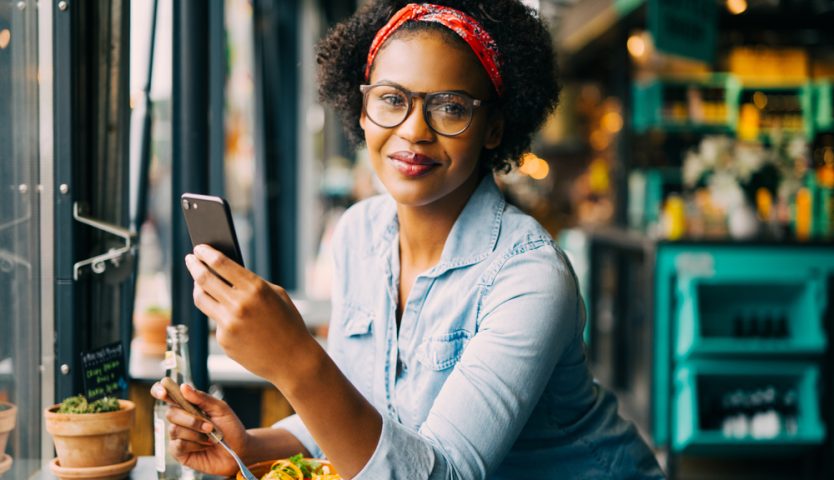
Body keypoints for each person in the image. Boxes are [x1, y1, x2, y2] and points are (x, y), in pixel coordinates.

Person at [151, 1, 665, 478]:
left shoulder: (529, 278)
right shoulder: (358, 233)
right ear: (360, 110)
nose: (414, 130)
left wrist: (295, 360)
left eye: (450, 107)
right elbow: (368, 412)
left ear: (493, 128)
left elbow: (445, 472)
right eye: (392, 99)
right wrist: (250, 444)